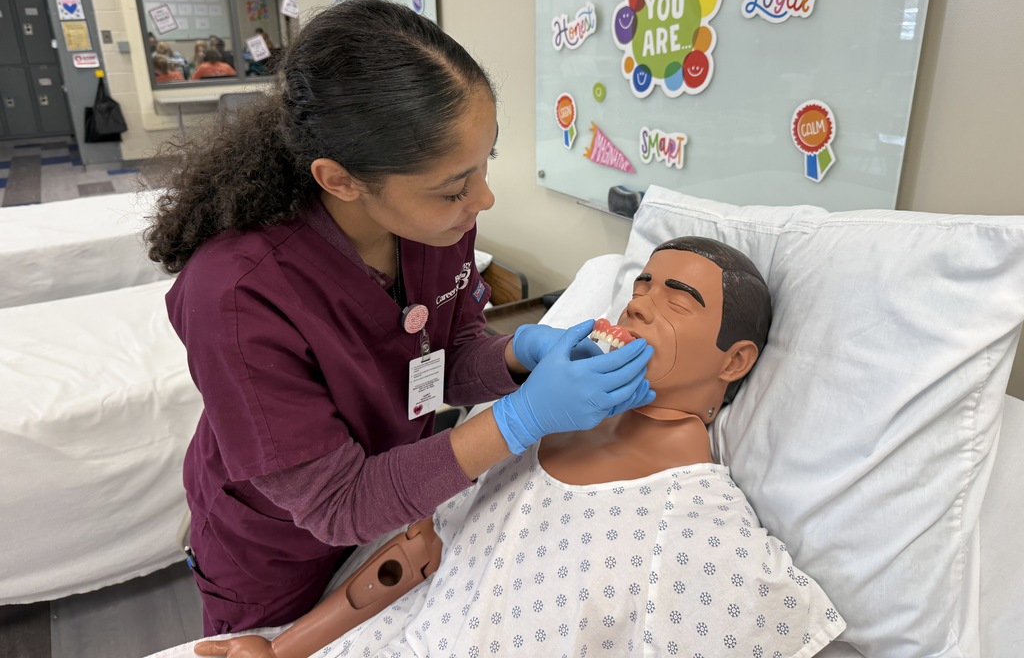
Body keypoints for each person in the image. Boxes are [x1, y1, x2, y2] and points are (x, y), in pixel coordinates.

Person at [145, 0, 655, 637]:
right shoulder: (236, 295)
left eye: (487, 164)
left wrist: (517, 355)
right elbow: (338, 502)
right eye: (455, 187)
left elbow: (442, 353)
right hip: (276, 553)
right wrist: (521, 418)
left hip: (399, 506)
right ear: (340, 180)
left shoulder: (435, 228)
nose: (484, 199)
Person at [190, 237, 848, 658]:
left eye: (678, 298)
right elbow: (417, 555)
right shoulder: (539, 429)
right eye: (641, 285)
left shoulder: (702, 531)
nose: (639, 305)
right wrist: (283, 651)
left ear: (735, 361)